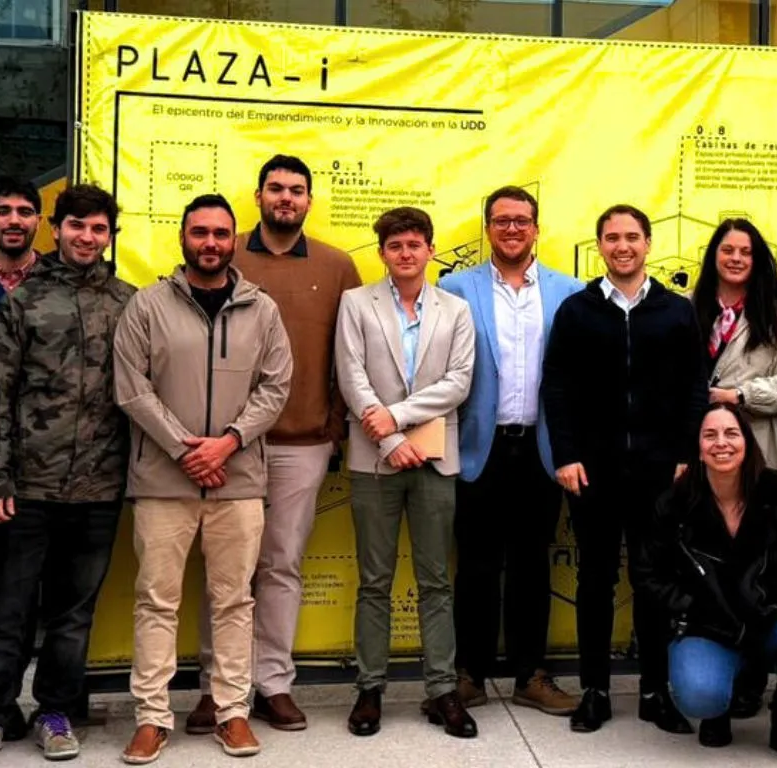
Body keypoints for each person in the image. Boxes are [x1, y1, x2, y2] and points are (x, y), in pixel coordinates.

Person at [0, 185, 135, 767]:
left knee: (73, 615)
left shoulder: (130, 303)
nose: (87, 237)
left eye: (99, 229)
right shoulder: (26, 300)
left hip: (100, 488)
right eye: (77, 226)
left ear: (110, 236)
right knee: (7, 611)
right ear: (57, 229)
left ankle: (55, 710)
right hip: (25, 488)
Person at [114, 194, 292, 765]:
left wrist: (229, 442)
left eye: (220, 233)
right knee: (156, 601)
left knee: (234, 602)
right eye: (199, 232)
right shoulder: (146, 305)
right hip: (163, 481)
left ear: (234, 239)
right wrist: (181, 447)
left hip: (238, 480)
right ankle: (151, 717)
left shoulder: (261, 309)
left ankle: (231, 712)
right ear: (183, 236)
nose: (210, 242)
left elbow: (275, 386)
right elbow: (132, 388)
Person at [189, 155, 362, 734]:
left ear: (310, 201)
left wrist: (335, 423)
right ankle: (219, 688)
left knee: (282, 565)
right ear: (258, 195)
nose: (285, 198)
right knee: (226, 571)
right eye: (276, 189)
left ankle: (273, 684)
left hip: (302, 444)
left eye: (296, 190)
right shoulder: (221, 250)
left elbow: (351, 355)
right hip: (226, 446)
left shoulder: (338, 267)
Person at [541, 204, 705, 735]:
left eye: (632, 237)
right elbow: (558, 387)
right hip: (593, 471)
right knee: (595, 579)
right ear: (600, 246)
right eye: (612, 237)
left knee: (653, 582)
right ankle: (596, 691)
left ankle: (656, 692)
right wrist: (565, 454)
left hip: (661, 473)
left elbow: (693, 388)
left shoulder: (676, 311)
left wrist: (685, 453)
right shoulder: (577, 310)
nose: (622, 246)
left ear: (648, 244)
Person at [438, 185, 585, 716]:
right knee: (475, 565)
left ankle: (530, 675)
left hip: (542, 448)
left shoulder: (569, 291)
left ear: (537, 228)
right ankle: (470, 674)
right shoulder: (455, 288)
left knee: (532, 565)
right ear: (488, 227)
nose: (512, 229)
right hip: (480, 446)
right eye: (501, 221)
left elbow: (575, 375)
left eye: (522, 220)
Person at [334, 206, 477, 739]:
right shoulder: (356, 303)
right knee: (374, 581)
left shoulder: (456, 309)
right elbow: (351, 376)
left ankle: (442, 690)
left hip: (436, 458)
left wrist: (397, 417)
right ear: (383, 253)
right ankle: (370, 688)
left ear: (430, 249)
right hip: (375, 458)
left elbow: (459, 381)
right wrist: (390, 438)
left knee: (436, 580)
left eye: (415, 244)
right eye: (395, 246)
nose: (406, 254)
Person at [635, 404, 777, 766]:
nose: (721, 443)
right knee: (699, 695)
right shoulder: (675, 502)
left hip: (772, 616)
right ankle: (720, 708)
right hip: (707, 627)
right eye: (709, 435)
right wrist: (688, 606)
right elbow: (648, 573)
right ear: (697, 447)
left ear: (747, 441)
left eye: (731, 433)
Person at [694, 218, 777, 483]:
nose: (736, 258)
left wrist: (740, 395)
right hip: (699, 443)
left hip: (760, 443)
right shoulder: (686, 307)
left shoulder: (776, 316)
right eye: (727, 250)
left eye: (746, 252)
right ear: (713, 255)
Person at [0, 176, 45, 315]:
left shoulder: (58, 279)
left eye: (25, 212)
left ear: (38, 222)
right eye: (3, 212)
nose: (14, 221)